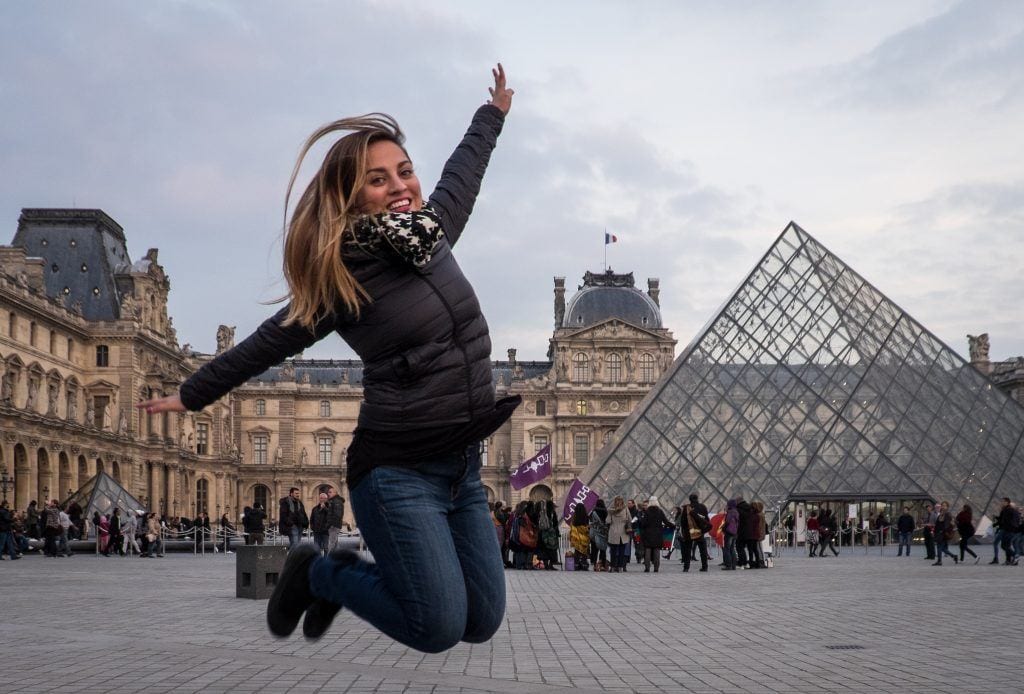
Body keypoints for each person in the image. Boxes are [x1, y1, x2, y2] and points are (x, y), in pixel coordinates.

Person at [137, 65, 516, 652]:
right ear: (351, 195)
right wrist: (192, 392)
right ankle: (323, 572)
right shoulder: (341, 278)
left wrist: (491, 116)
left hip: (462, 466)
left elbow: (462, 176)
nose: (400, 186)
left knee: (482, 619)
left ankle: (333, 578)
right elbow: (270, 341)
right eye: (377, 179)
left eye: (404, 171)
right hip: (399, 471)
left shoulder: (433, 231)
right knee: (437, 627)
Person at [639, 496, 673, 573]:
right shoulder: (660, 511)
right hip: (658, 533)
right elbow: (666, 522)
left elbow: (643, 523)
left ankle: (647, 568)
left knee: (647, 550)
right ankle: (656, 568)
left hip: (648, 533)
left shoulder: (647, 512)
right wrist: (673, 526)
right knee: (656, 550)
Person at [606, 496, 632, 573]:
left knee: (613, 551)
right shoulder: (625, 509)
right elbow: (630, 519)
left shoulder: (611, 510)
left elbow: (608, 521)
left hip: (613, 532)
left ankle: (613, 567)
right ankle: (620, 567)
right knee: (622, 551)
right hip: (623, 532)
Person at [932, 501, 958, 566]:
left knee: (939, 547)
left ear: (947, 507)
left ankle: (939, 561)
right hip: (939, 533)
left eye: (945, 505)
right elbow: (937, 524)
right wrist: (934, 532)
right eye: (942, 505)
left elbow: (948, 525)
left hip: (944, 533)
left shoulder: (948, 514)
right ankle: (954, 556)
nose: (943, 507)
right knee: (942, 548)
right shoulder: (940, 514)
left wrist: (944, 530)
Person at [588, 498, 609, 571]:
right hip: (603, 532)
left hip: (594, 532)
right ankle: (602, 564)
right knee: (603, 549)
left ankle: (594, 564)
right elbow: (608, 521)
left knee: (594, 549)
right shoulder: (605, 511)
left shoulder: (593, 511)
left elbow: (590, 521)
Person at [569, 503, 590, 571]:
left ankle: (576, 565)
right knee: (584, 551)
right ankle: (584, 565)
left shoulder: (574, 517)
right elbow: (587, 527)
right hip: (584, 537)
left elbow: (572, 526)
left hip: (577, 537)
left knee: (577, 551)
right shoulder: (586, 516)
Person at [325, 486, 346, 552]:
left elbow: (338, 514)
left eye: (330, 492)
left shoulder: (336, 501)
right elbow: (332, 512)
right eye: (328, 492)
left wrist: (331, 524)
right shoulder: (333, 501)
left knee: (331, 544)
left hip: (334, 525)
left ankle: (328, 560)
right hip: (333, 525)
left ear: (335, 493)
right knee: (334, 544)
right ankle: (338, 559)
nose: (328, 494)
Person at [722, 499, 739, 570]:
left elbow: (727, 521)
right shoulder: (736, 512)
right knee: (732, 549)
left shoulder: (730, 512)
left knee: (727, 549)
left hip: (729, 532)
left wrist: (723, 528)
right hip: (735, 532)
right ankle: (734, 565)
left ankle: (728, 565)